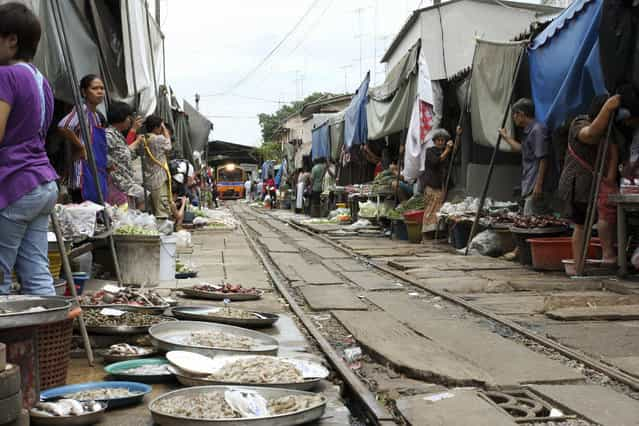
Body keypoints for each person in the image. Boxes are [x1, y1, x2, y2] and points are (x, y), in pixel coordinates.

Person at [0, 2, 58, 295]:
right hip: (42, 183)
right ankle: (45, 340)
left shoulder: (5, 76)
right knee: (36, 273)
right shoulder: (40, 79)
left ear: (11, 40)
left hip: (15, 185)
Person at [557, 94, 621, 274]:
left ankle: (589, 263)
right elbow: (590, 134)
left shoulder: (610, 131)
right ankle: (578, 268)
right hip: (578, 185)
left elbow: (612, 153)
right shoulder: (580, 122)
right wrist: (608, 108)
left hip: (595, 185)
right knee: (581, 224)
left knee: (595, 221)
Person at [499, 98, 558, 216]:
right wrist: (505, 137)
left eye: (514, 115)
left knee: (533, 221)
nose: (513, 118)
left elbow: (543, 159)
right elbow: (522, 149)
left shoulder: (538, 130)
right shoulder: (529, 131)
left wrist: (538, 186)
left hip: (536, 186)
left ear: (521, 114)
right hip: (530, 184)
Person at [58, 74, 108, 203]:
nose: (100, 92)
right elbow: (63, 127)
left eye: (102, 88)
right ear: (84, 92)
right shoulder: (82, 110)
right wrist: (81, 146)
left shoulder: (96, 116)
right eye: (95, 88)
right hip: (83, 173)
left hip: (95, 170)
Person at [420, 127, 461, 236]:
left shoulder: (445, 152)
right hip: (431, 185)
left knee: (438, 209)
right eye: (438, 140)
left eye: (442, 140)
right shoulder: (430, 151)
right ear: (434, 141)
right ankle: (427, 234)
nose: (440, 142)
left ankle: (436, 233)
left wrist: (457, 136)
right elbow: (436, 161)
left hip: (441, 186)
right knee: (431, 208)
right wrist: (447, 150)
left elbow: (455, 149)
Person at [105, 101, 144, 207]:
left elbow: (124, 152)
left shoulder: (117, 135)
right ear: (122, 117)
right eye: (129, 117)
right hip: (117, 184)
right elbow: (115, 156)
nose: (130, 120)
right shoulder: (108, 135)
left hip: (125, 183)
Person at [140, 115, 172, 219]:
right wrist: (165, 129)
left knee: (152, 212)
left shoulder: (143, 139)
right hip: (159, 179)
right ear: (156, 128)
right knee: (162, 212)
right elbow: (169, 146)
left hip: (147, 180)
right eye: (160, 127)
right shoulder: (158, 139)